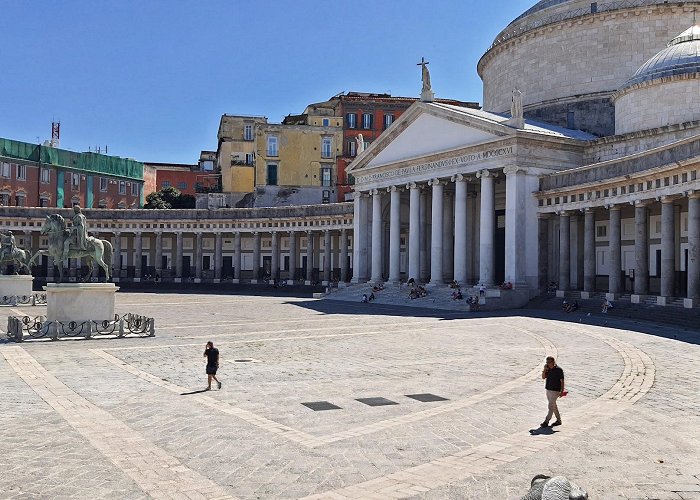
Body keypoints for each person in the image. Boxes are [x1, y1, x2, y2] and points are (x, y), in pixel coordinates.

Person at [540, 356, 564, 427]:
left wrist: (561, 391)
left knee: (550, 406)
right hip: (548, 389)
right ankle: (558, 420)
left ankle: (546, 421)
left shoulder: (559, 370)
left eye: (549, 362)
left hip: (555, 390)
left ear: (553, 362)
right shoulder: (547, 369)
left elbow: (562, 381)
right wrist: (544, 370)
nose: (548, 364)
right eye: (547, 362)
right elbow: (543, 377)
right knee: (553, 406)